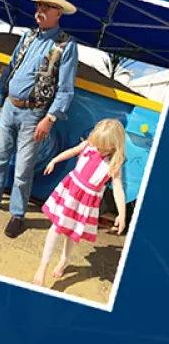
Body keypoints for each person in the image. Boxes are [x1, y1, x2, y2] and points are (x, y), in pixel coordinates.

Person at [0, 0, 80, 239]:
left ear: (58, 12)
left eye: (47, 6)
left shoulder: (66, 45)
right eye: (39, 5)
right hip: (9, 107)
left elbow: (65, 89)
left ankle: (17, 214)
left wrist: (49, 119)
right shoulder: (27, 36)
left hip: (34, 114)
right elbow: (10, 68)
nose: (40, 10)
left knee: (23, 168)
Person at [31, 119, 127, 286]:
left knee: (72, 234)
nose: (98, 148)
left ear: (113, 147)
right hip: (71, 193)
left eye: (103, 147)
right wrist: (54, 160)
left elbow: (118, 187)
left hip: (86, 202)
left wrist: (122, 214)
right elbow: (71, 151)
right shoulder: (89, 145)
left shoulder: (113, 163)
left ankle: (64, 260)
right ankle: (43, 266)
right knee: (56, 227)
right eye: (97, 143)